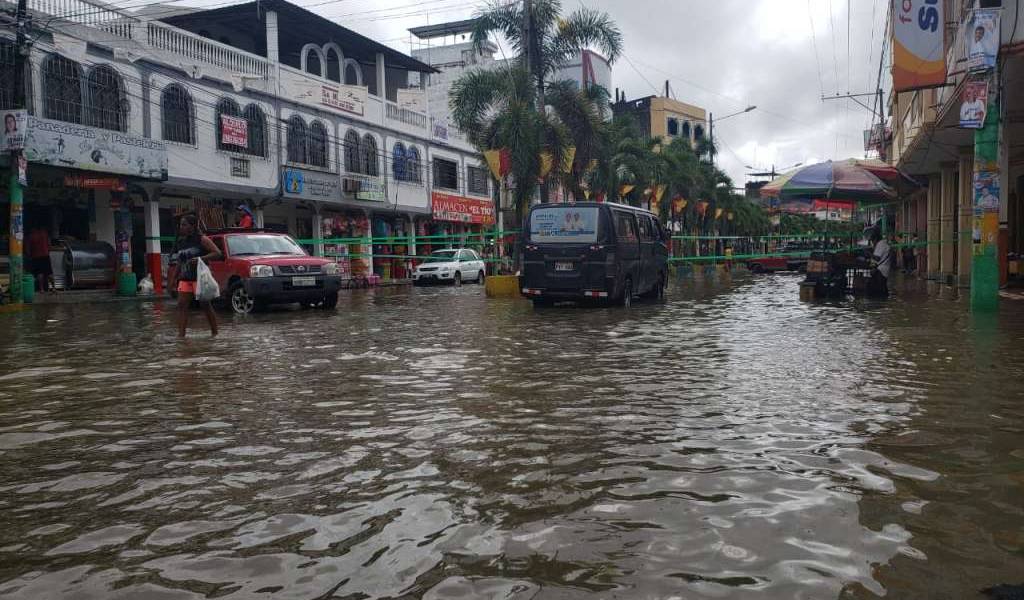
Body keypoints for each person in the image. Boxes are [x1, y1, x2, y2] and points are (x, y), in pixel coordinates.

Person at [171, 214, 221, 337]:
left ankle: (215, 333)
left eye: (184, 224)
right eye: (181, 225)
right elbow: (179, 262)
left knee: (205, 305)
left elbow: (217, 253)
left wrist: (201, 258)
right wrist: (173, 279)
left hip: (199, 278)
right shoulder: (181, 242)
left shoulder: (202, 239)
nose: (181, 227)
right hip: (184, 278)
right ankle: (181, 336)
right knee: (182, 305)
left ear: (192, 226)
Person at [27, 225, 53, 293]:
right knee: (49, 273)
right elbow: (49, 244)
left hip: (36, 256)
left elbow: (28, 249)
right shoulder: (44, 233)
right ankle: (54, 288)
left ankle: (41, 289)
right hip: (45, 255)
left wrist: (29, 255)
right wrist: (48, 250)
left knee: (39, 273)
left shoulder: (31, 236)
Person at [868, 229, 893, 297]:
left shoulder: (881, 244)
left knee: (880, 289)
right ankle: (882, 303)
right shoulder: (882, 244)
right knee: (882, 288)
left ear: (875, 239)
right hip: (883, 270)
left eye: (872, 241)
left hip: (881, 270)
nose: (872, 243)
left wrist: (868, 253)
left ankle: (881, 303)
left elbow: (876, 258)